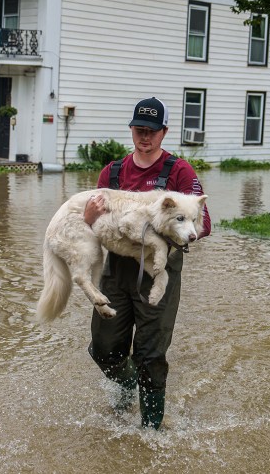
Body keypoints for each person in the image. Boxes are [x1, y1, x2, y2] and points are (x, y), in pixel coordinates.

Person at [83, 96, 211, 430]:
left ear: (164, 132)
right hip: (115, 271)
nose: (146, 137)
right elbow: (92, 226)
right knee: (103, 349)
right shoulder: (112, 172)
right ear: (131, 130)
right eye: (140, 129)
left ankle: (151, 429)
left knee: (150, 355)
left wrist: (156, 228)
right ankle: (128, 389)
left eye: (153, 131)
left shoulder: (179, 171)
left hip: (159, 271)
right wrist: (87, 218)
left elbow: (203, 224)